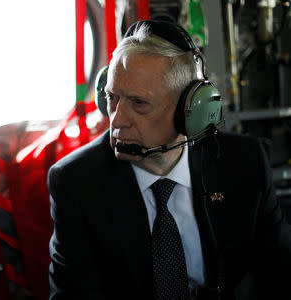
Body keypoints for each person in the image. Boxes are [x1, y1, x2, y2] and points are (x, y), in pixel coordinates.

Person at [48, 20, 291, 300]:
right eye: (112, 98)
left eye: (138, 103)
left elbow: (280, 272)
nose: (117, 120)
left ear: (190, 110)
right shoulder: (76, 182)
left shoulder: (245, 163)